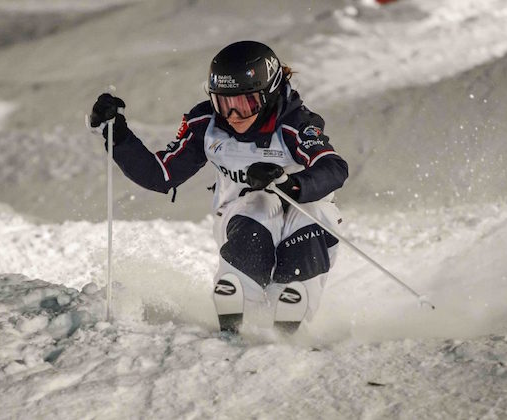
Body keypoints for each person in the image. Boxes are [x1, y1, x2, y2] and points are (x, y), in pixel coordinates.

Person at [89, 40, 348, 334]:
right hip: (244, 218)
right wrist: (117, 134)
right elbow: (161, 175)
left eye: (245, 104)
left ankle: (291, 301)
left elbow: (334, 168)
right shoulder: (206, 124)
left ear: (270, 93)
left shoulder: (295, 123)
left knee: (308, 216)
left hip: (306, 213)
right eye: (224, 103)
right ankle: (239, 293)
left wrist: (291, 184)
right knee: (260, 205)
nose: (234, 116)